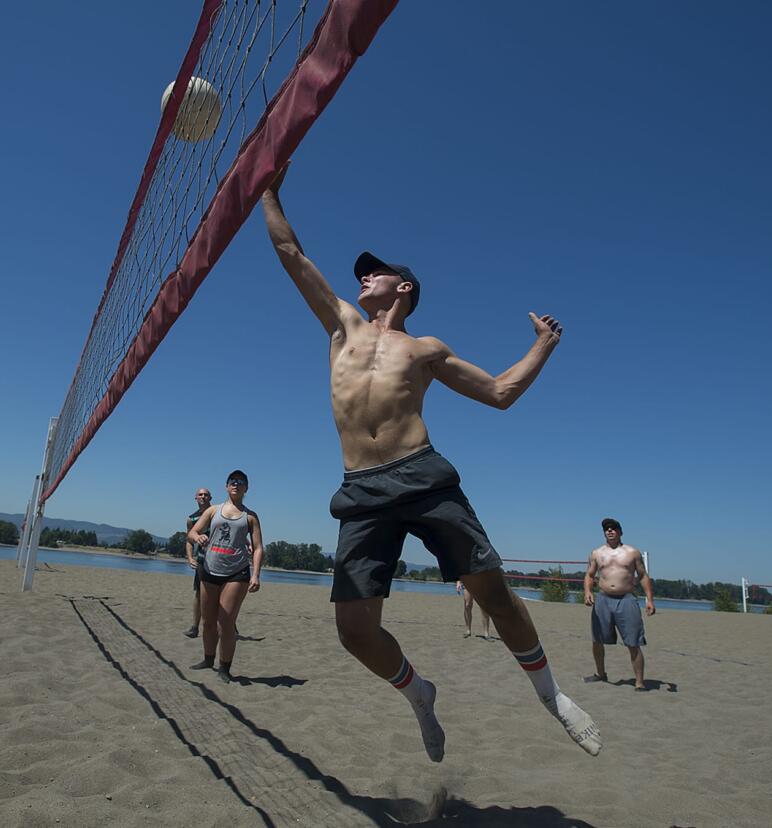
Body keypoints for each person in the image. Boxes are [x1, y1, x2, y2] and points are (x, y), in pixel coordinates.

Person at [261, 164, 601, 761]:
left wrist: (543, 345)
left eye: (376, 271)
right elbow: (289, 249)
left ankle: (552, 698)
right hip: (362, 488)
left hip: (421, 475)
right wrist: (267, 189)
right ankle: (420, 692)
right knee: (354, 631)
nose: (362, 275)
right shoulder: (341, 325)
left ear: (405, 288)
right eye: (360, 272)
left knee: (494, 595)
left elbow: (498, 393)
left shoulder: (425, 349)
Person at [187, 470, 263, 683]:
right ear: (226, 486)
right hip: (209, 569)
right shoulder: (213, 511)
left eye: (241, 482)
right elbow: (192, 532)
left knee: (226, 622)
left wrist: (255, 574)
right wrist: (198, 536)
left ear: (246, 488)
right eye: (232, 482)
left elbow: (258, 548)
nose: (236, 485)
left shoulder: (250, 517)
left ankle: (225, 668)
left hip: (236, 573)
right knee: (208, 621)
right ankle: (208, 659)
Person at [583, 518, 655, 691]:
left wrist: (650, 599)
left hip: (626, 599)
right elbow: (590, 575)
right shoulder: (596, 553)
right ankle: (601, 673)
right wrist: (588, 592)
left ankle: (639, 682)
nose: (610, 531)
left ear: (620, 532)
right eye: (606, 529)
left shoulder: (632, 553)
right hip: (603, 599)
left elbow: (643, 576)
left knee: (633, 641)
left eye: (613, 528)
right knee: (597, 640)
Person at [183, 487, 213, 637]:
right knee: (199, 593)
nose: (203, 497)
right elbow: (189, 540)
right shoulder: (192, 518)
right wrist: (190, 558)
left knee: (221, 594)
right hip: (201, 560)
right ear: (195, 498)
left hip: (218, 559)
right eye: (200, 494)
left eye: (206, 495)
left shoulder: (216, 513)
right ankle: (195, 627)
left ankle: (230, 626)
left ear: (210, 498)